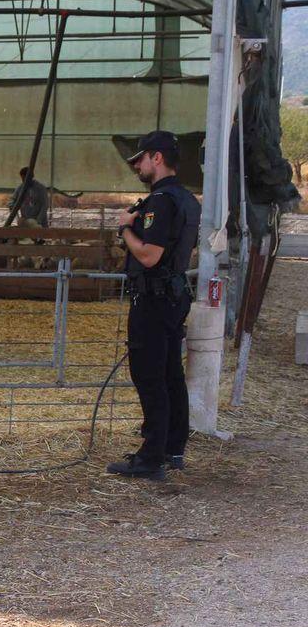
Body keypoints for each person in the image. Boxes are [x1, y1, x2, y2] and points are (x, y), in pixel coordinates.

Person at [107, 131, 200, 481]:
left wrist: (125, 230)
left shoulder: (160, 201)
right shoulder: (187, 199)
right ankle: (174, 447)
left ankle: (151, 456)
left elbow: (149, 255)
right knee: (170, 374)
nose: (137, 167)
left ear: (157, 158)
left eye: (141, 159)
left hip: (153, 297)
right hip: (173, 295)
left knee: (149, 375)